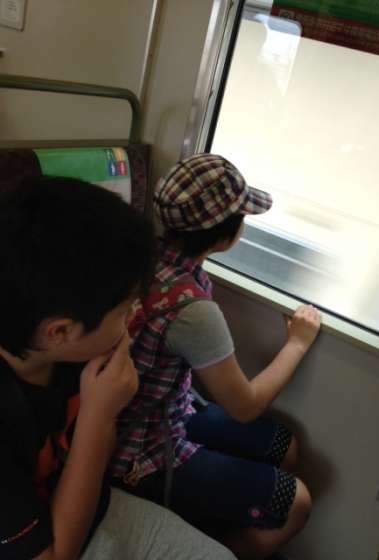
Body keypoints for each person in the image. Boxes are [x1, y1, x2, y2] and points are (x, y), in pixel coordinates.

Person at [0, 175, 235, 560]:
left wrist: (102, 413)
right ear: (61, 332)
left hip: (79, 495)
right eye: (126, 309)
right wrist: (98, 416)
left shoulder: (69, 354)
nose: (136, 313)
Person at [111, 153, 322, 560]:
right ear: (226, 235)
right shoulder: (191, 309)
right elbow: (245, 406)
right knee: (297, 503)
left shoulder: (147, 257)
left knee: (285, 446)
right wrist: (297, 344)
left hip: (166, 409)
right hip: (142, 448)